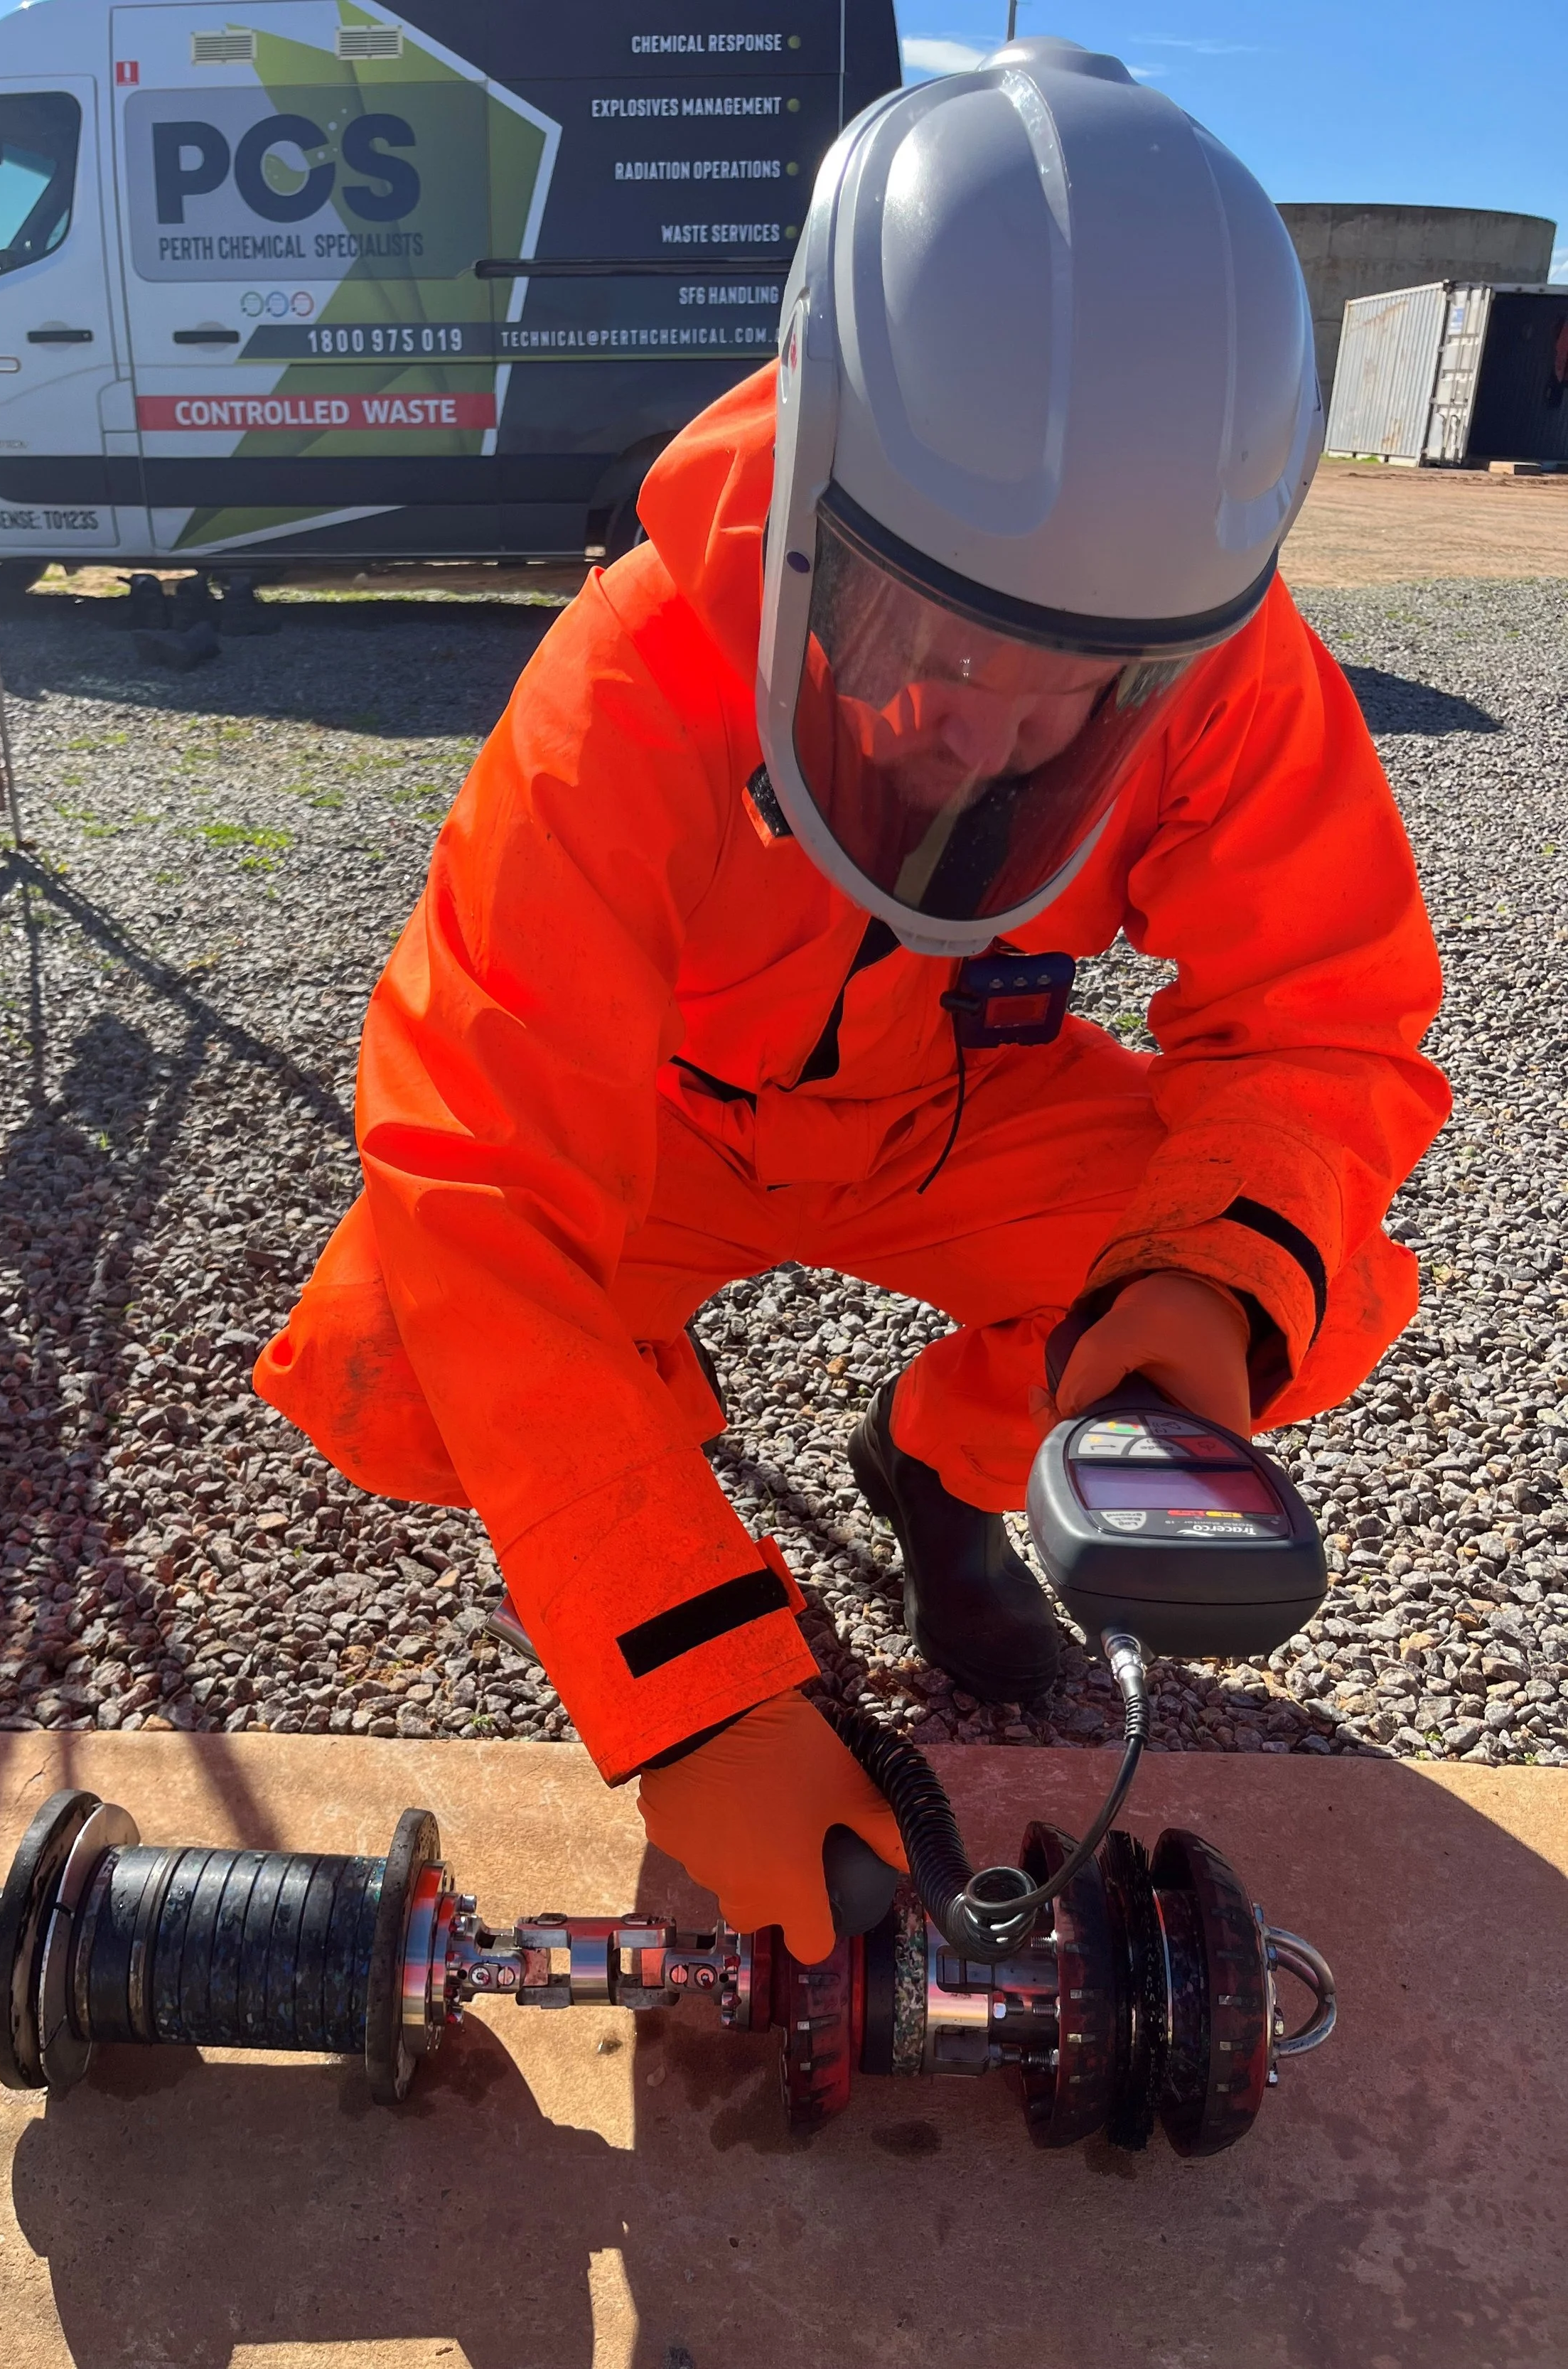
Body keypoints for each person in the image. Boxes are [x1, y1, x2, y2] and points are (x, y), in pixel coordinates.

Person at [257, 40, 1449, 1967]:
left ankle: (944, 1466)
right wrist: (690, 1676)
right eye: (925, 629)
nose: (974, 718)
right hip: (664, 1127)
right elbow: (479, 1170)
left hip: (953, 1115)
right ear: (819, 503)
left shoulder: (1234, 669)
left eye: (1061, 682)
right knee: (403, 1342)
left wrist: (1186, 1299)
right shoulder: (632, 678)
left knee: (1311, 1282)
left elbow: (1327, 1024)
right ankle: (699, 1545)